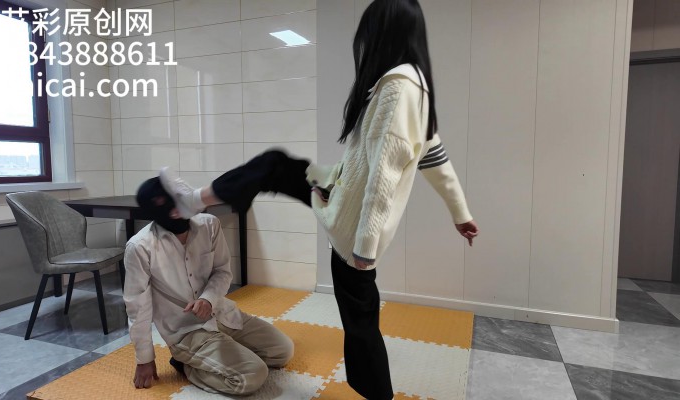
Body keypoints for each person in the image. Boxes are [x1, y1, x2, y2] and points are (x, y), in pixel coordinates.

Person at [160, 0, 479, 398]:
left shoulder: (398, 89)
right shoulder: (416, 87)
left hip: (352, 226)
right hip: (338, 197)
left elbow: (383, 176)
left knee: (361, 323)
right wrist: (460, 214)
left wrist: (364, 249)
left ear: (382, 35)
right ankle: (193, 201)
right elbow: (435, 157)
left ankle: (378, 393)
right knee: (275, 166)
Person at [123, 177, 294, 395]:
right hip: (186, 331)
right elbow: (138, 308)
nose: (177, 210)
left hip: (222, 313)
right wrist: (145, 359)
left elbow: (222, 271)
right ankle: (187, 365)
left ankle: (219, 354)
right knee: (252, 375)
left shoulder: (209, 225)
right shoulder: (140, 247)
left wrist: (208, 299)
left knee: (283, 351)